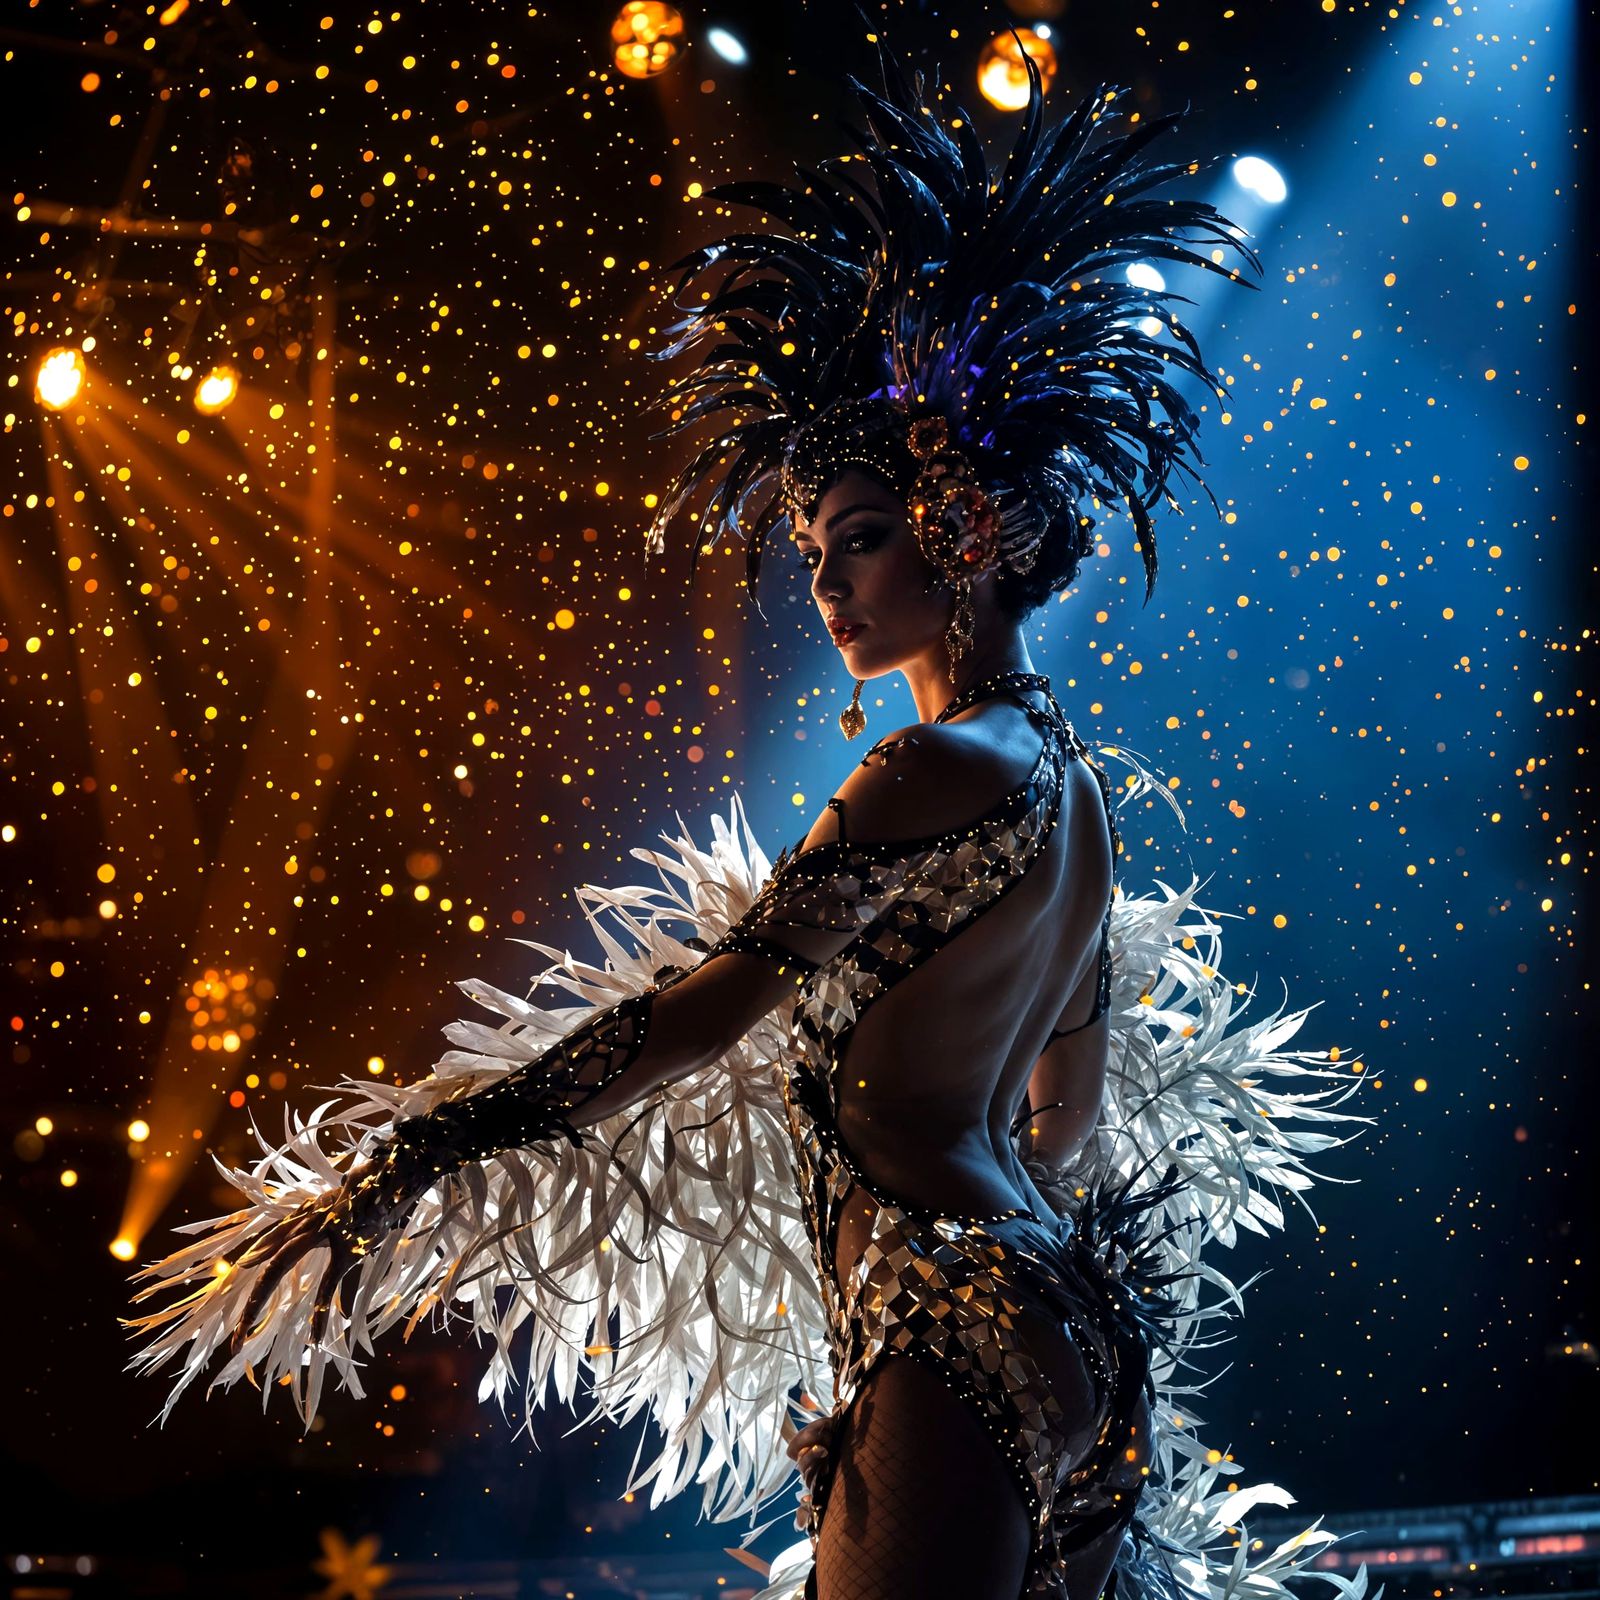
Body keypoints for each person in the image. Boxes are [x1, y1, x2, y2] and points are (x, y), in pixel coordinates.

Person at [129, 41, 1377, 1600]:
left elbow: (700, 1017)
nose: (827, 581)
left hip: (944, 1316)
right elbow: (1064, 1110)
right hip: (1064, 1330)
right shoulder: (1071, 792)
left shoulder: (924, 774)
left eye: (857, 538)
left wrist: (427, 1146)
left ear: (964, 533)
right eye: (808, 548)